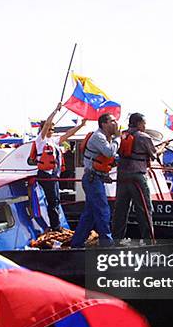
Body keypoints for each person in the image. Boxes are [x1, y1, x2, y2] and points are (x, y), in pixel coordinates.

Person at [112, 113, 166, 244]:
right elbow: (154, 154)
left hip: (122, 176)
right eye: (144, 123)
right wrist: (163, 147)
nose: (145, 126)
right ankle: (149, 241)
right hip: (137, 176)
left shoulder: (122, 136)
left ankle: (116, 240)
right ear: (138, 123)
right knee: (144, 209)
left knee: (120, 209)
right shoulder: (144, 137)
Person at [70, 113, 120, 248]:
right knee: (103, 211)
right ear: (104, 124)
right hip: (93, 180)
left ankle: (76, 244)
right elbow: (109, 153)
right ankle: (107, 245)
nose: (115, 123)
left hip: (96, 179)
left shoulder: (105, 138)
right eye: (113, 121)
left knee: (90, 215)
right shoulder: (98, 137)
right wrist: (118, 138)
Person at [34, 102, 87, 231]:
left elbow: (69, 134)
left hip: (54, 175)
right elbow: (47, 124)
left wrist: (81, 125)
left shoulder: (54, 141)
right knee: (53, 201)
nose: (51, 131)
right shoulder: (40, 141)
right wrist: (55, 111)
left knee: (56, 201)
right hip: (45, 175)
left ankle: (56, 225)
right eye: (49, 129)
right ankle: (55, 227)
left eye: (53, 129)